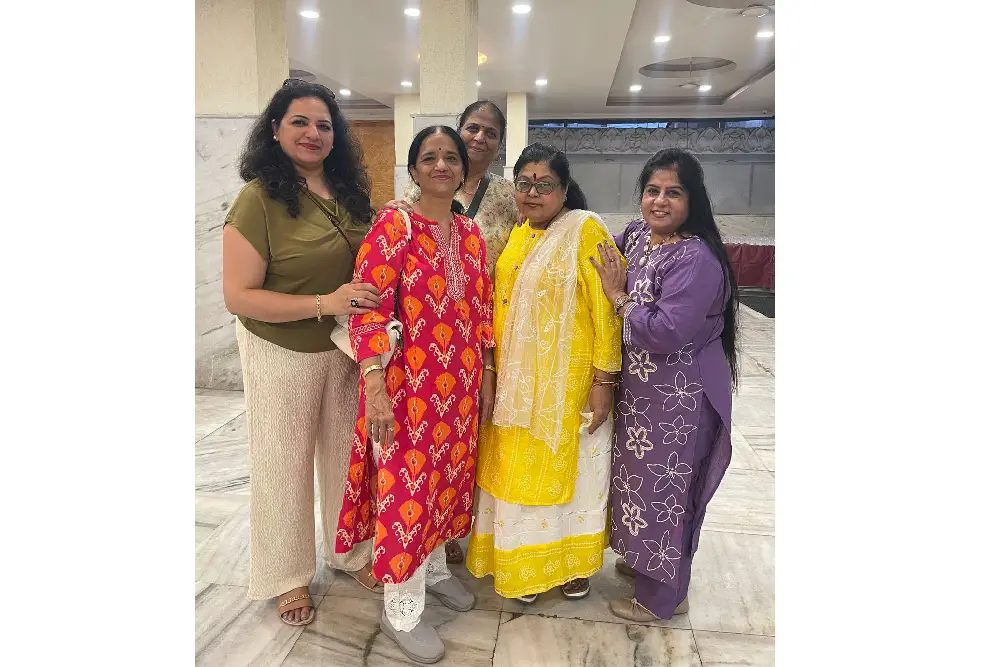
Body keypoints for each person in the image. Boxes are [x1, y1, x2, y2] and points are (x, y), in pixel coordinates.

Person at [221, 79, 384, 627]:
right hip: (280, 347)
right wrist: (325, 302)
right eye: (299, 122)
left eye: (323, 125)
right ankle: (286, 574)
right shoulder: (257, 199)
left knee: (347, 459)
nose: (313, 133)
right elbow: (238, 296)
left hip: (344, 348)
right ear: (275, 129)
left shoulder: (350, 194)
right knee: (283, 463)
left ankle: (350, 552)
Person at [335, 126, 497, 664]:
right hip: (406, 389)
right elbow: (367, 309)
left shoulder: (470, 233)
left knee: (445, 483)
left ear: (463, 168)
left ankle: (434, 570)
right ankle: (401, 608)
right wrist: (374, 384)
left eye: (451, 157)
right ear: (413, 169)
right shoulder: (394, 225)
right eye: (430, 157)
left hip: (458, 390)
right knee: (407, 491)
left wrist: (486, 375)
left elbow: (481, 311)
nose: (441, 165)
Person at [466, 143, 623, 603]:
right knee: (514, 477)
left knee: (573, 478)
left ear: (565, 189)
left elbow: (605, 311)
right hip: (514, 385)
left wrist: (604, 380)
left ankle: (570, 566)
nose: (533, 193)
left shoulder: (586, 230)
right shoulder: (518, 233)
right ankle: (522, 566)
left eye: (545, 184)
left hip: (568, 387)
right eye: (524, 183)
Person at [589, 148, 739, 622]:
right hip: (643, 396)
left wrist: (618, 298)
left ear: (692, 200)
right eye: (652, 190)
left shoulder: (696, 258)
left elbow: (665, 331)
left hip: (682, 399)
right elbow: (596, 250)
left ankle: (663, 598)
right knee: (638, 486)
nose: (659, 201)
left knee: (667, 493)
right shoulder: (638, 236)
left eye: (673, 192)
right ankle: (646, 564)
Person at [388, 100, 519, 564]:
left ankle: (442, 556)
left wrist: (487, 366)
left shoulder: (491, 213)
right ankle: (405, 584)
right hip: (413, 360)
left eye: (491, 132)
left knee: (454, 461)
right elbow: (376, 299)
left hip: (472, 352)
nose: (480, 138)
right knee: (410, 473)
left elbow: (495, 284)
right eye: (473, 128)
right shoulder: (402, 213)